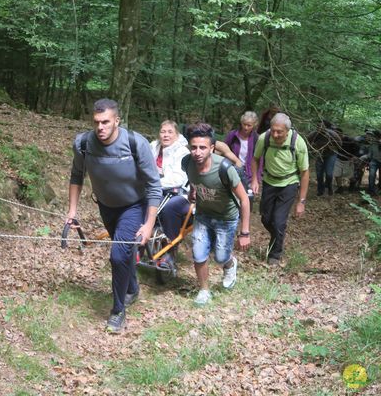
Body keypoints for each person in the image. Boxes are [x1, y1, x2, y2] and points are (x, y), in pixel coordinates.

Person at [67, 99, 161, 333]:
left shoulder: (134, 143)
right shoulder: (83, 144)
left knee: (118, 255)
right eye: (97, 122)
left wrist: (149, 224)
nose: (100, 127)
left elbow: (153, 186)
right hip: (106, 207)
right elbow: (77, 176)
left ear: (117, 120)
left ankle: (118, 310)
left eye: (106, 122)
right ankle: (131, 288)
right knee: (124, 251)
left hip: (134, 207)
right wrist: (72, 212)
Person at [183, 123, 250, 307]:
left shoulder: (224, 168)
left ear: (212, 148)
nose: (197, 152)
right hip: (203, 215)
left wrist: (244, 233)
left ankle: (229, 264)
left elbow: (244, 199)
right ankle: (204, 290)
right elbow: (192, 178)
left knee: (220, 257)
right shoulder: (187, 162)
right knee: (198, 253)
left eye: (203, 147)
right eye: (194, 147)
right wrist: (192, 190)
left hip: (226, 218)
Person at [251, 113, 309, 266]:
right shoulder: (265, 138)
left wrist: (301, 201)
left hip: (289, 184)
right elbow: (255, 159)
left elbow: (304, 172)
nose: (275, 134)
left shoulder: (298, 142)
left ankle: (275, 255)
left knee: (278, 222)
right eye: (273, 130)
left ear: (287, 131)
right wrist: (255, 179)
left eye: (279, 132)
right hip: (269, 182)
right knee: (265, 218)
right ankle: (278, 235)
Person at [149, 120, 190, 273]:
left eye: (169, 132)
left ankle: (169, 253)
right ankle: (138, 245)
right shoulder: (152, 146)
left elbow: (178, 178)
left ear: (176, 134)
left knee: (168, 209)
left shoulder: (182, 152)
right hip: (154, 188)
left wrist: (154, 183)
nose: (165, 135)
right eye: (163, 131)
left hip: (177, 192)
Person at [224, 111, 261, 185]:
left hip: (249, 174)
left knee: (247, 195)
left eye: (249, 125)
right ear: (241, 123)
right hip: (232, 170)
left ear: (254, 125)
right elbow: (223, 149)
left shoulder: (256, 138)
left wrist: (257, 178)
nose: (246, 127)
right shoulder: (233, 135)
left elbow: (260, 159)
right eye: (244, 124)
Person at [306, 120, 341, 196]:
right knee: (319, 174)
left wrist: (333, 148)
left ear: (325, 127)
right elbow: (308, 142)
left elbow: (339, 144)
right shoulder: (313, 135)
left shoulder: (332, 134)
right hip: (320, 155)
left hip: (331, 154)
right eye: (318, 127)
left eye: (322, 126)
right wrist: (314, 148)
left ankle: (329, 186)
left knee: (329, 174)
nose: (320, 128)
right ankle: (320, 190)